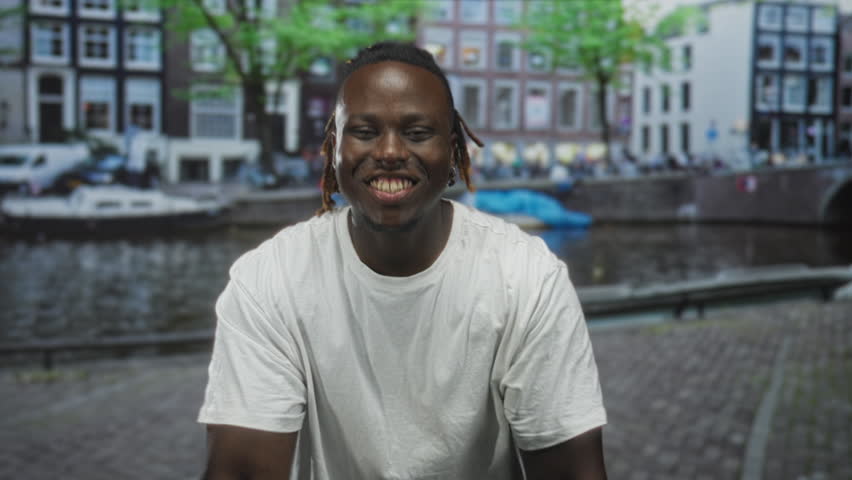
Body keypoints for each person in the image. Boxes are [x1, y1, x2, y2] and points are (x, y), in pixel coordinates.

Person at [198, 42, 607, 480]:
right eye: (366, 131)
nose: (390, 151)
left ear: (453, 151)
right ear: (334, 147)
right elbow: (241, 471)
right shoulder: (267, 281)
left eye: (416, 133)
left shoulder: (526, 277)